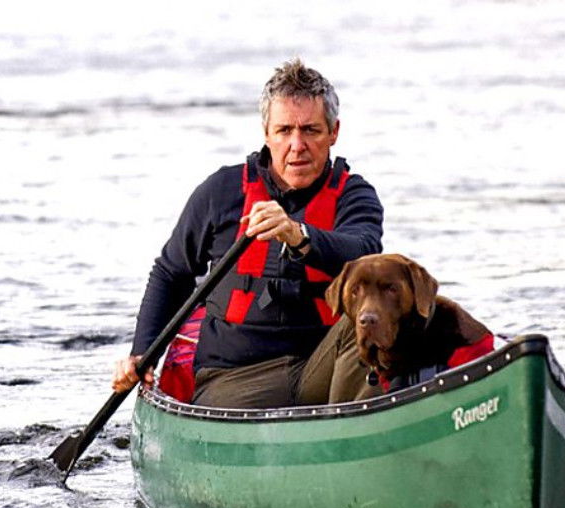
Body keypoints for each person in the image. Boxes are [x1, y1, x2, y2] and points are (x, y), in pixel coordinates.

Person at [112, 59, 384, 408]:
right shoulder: (222, 192)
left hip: (323, 371)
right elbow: (171, 273)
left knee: (379, 312)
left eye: (311, 131)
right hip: (235, 377)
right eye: (284, 131)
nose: (297, 145)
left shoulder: (354, 195)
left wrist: (298, 235)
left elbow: (364, 252)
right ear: (266, 133)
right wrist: (142, 353)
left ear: (334, 132)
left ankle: (360, 426)